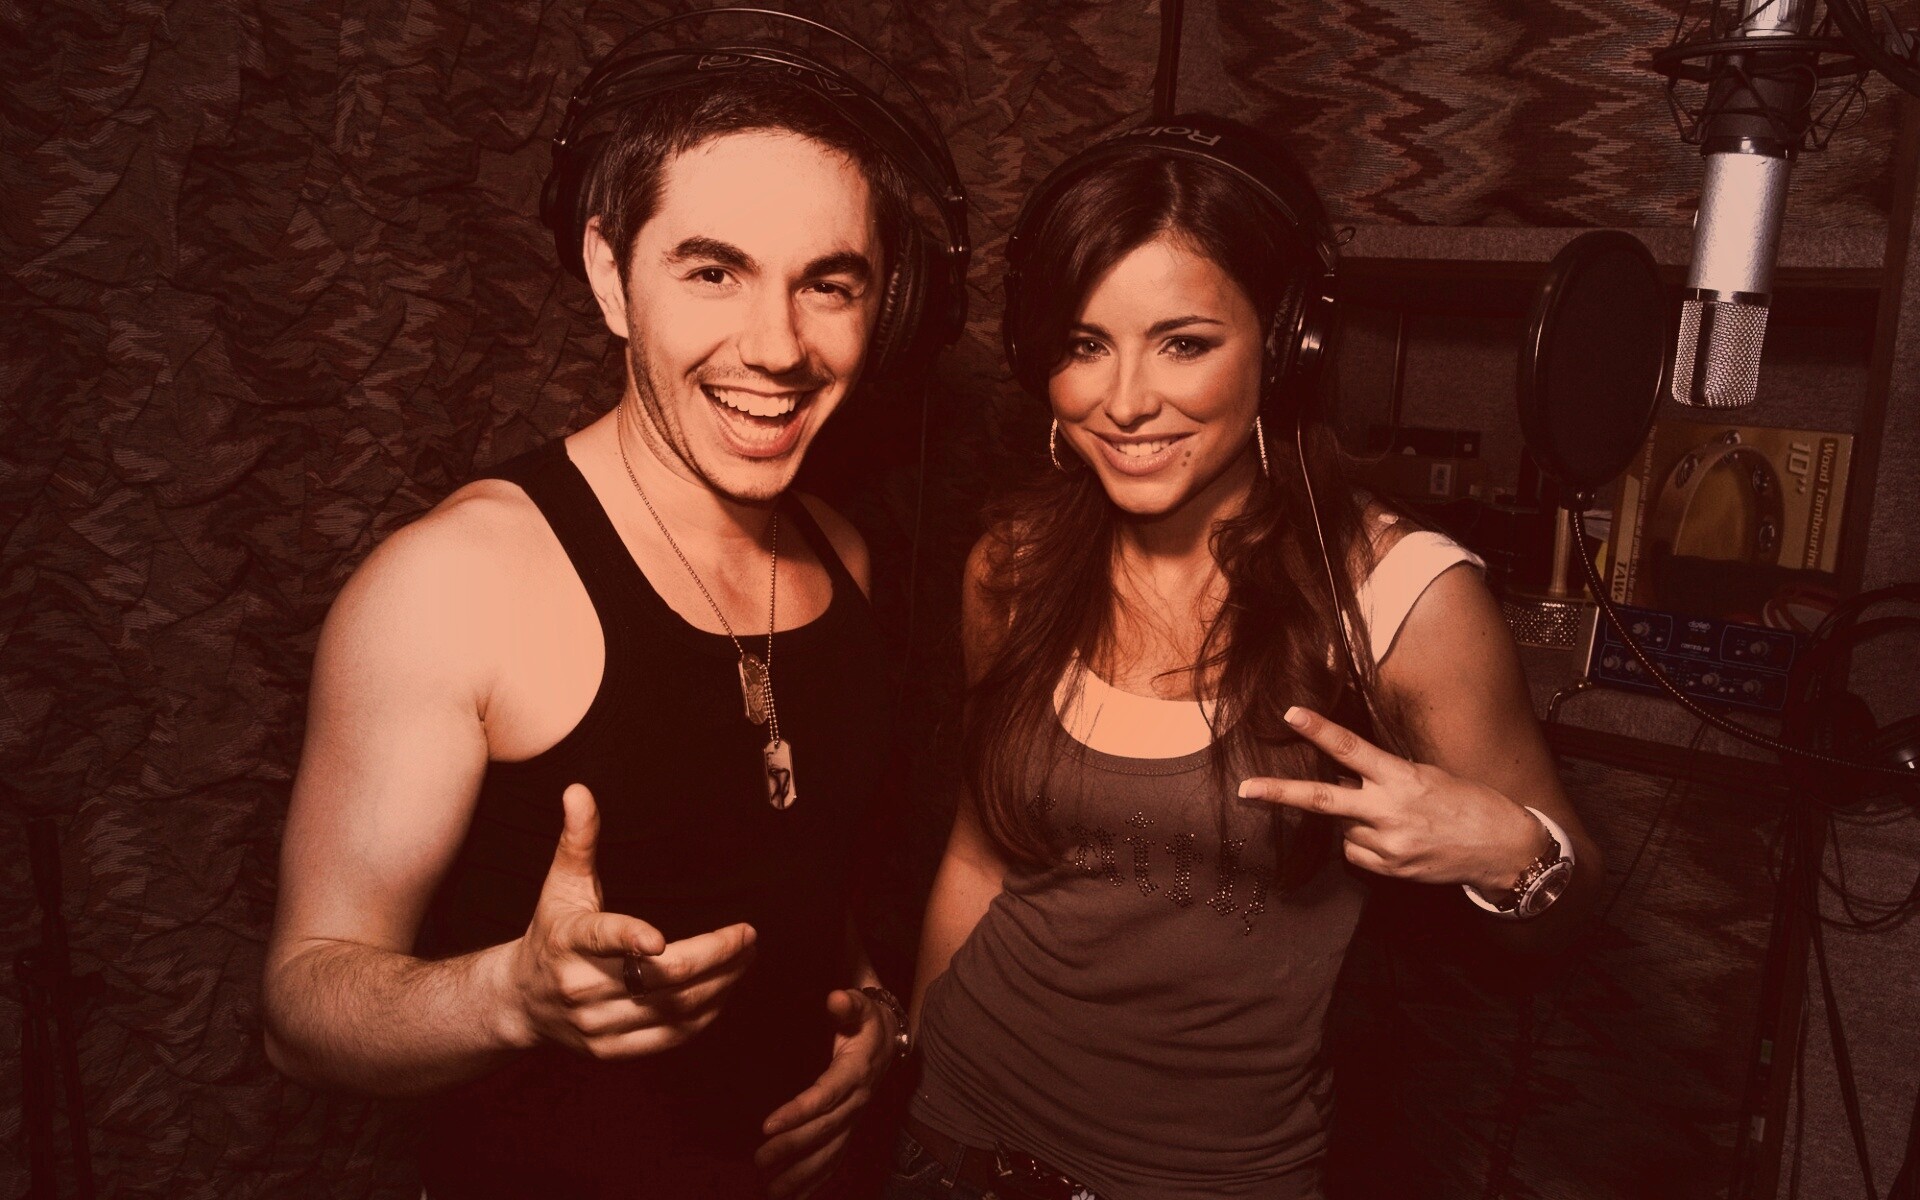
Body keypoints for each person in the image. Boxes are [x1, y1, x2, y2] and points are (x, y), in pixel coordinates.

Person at [262, 18, 965, 1197]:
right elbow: (300, 1009)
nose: (777, 346)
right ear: (609, 272)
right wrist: (510, 996)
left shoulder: (841, 549)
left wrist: (876, 1016)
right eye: (713, 271)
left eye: (827, 284)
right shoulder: (452, 582)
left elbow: (787, 871)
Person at [891, 115, 1605, 1200]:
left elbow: (1572, 911)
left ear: (1286, 345)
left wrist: (1509, 852)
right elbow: (979, 860)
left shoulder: (1405, 598)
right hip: (947, 1141)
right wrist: (911, 1065)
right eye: (1085, 345)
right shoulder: (1014, 564)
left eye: (1184, 342)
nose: (1125, 402)